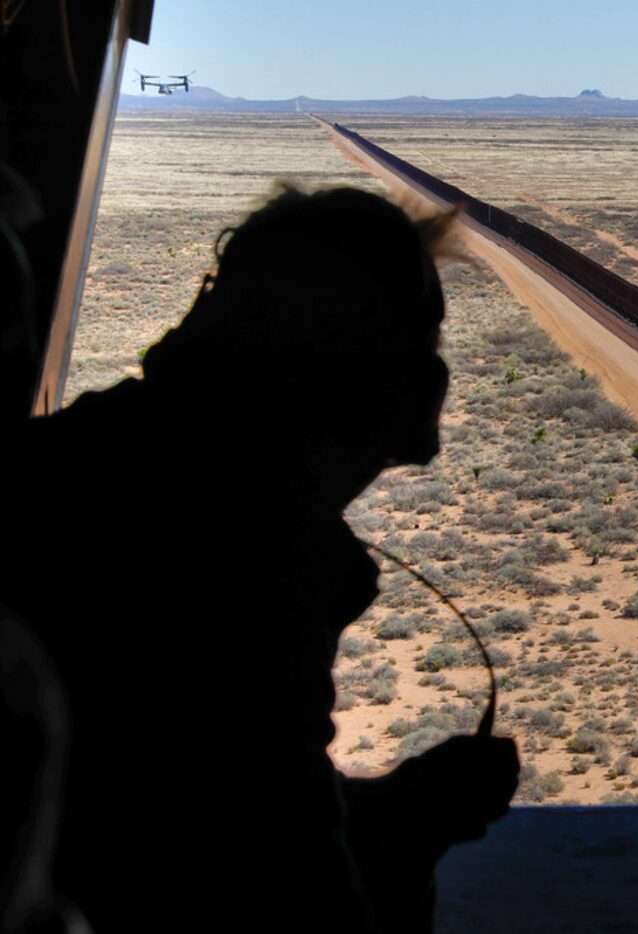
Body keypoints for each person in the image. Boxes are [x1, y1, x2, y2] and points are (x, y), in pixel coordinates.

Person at [0, 186, 518, 933]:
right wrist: (410, 835)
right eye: (424, 344)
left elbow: (201, 795)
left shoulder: (81, 462)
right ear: (378, 381)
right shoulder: (254, 571)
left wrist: (389, 807)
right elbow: (280, 877)